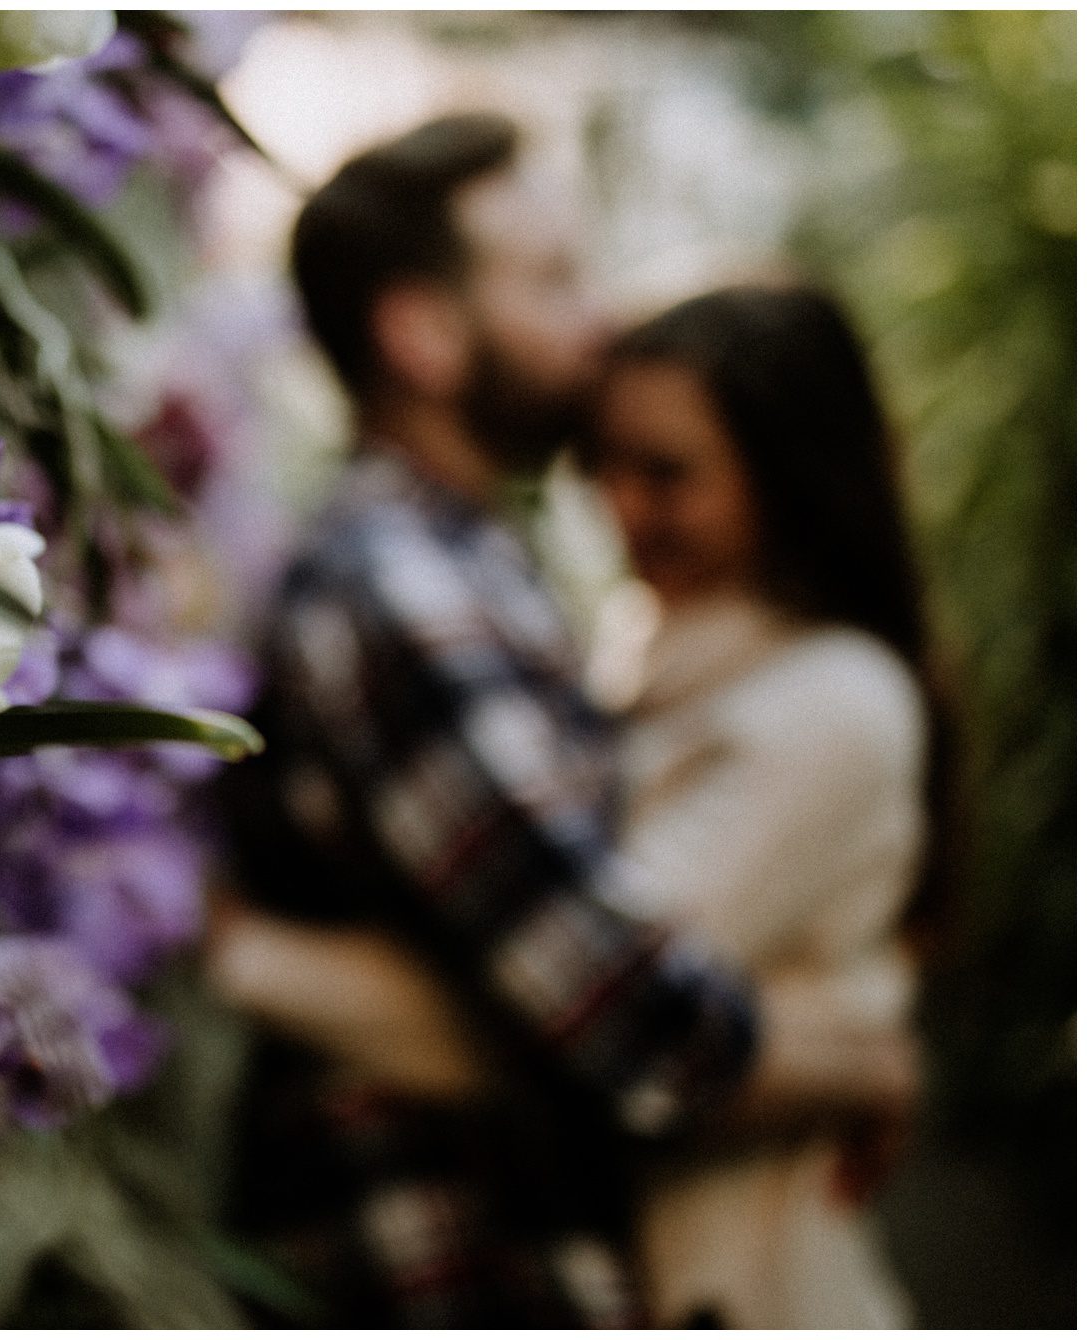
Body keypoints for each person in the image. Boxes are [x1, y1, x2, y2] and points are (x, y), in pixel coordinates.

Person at [213, 113, 760, 1328]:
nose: (599, 318)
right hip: (446, 1267)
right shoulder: (402, 585)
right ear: (419, 332)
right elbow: (637, 1020)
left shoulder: (459, 552)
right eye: (553, 279)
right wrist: (859, 1053)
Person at [573, 284, 941, 1327]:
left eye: (665, 472)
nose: (619, 504)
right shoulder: (652, 646)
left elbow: (583, 1011)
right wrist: (851, 1064)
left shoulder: (829, 705)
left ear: (788, 475)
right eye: (605, 460)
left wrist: (246, 955)